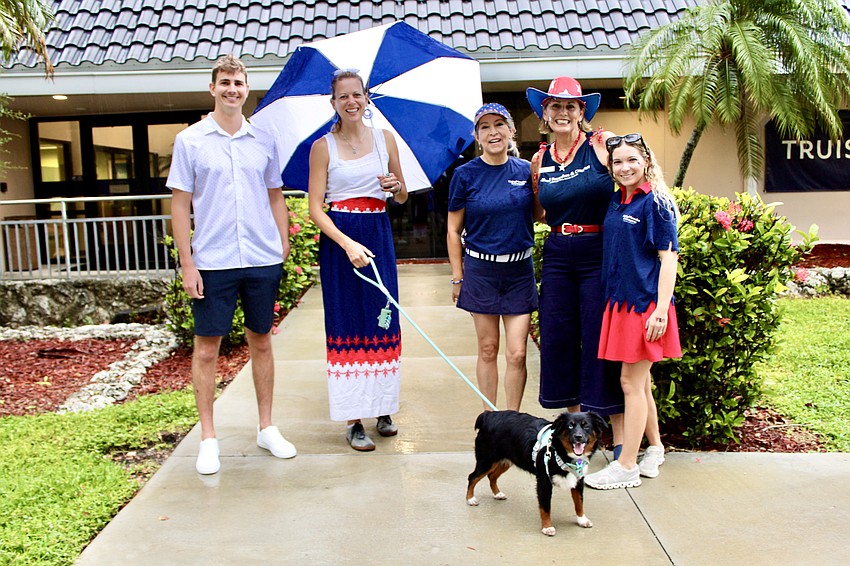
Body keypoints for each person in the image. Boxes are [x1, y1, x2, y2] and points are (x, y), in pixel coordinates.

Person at [168, 54, 296, 475]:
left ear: (246, 89)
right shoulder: (190, 141)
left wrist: (283, 242)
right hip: (214, 261)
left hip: (260, 258)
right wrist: (188, 264)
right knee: (207, 349)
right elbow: (181, 204)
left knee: (262, 340)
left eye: (238, 83)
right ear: (212, 88)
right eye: (224, 82)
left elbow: (275, 193)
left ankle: (266, 427)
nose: (232, 89)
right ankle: (208, 438)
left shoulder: (263, 139)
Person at [307, 70, 408, 452]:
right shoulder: (323, 147)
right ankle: (353, 418)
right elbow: (316, 209)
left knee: (383, 319)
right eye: (343, 96)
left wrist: (396, 188)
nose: (351, 101)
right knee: (349, 320)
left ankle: (383, 407)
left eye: (357, 95)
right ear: (333, 102)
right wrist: (347, 243)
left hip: (378, 233)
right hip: (340, 240)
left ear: (367, 98)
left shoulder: (385, 140)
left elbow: (402, 199)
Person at [526, 76, 624, 454]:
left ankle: (615, 434)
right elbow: (538, 210)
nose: (563, 112)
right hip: (557, 253)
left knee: (600, 339)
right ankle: (575, 431)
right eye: (555, 106)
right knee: (559, 337)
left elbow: (637, 176)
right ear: (544, 114)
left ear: (582, 112)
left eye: (571, 106)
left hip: (596, 250)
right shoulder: (539, 159)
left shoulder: (601, 145)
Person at [584, 133, 682, 489]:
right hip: (620, 303)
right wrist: (596, 137)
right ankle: (654, 448)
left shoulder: (655, 201)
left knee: (630, 382)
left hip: (644, 307)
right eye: (618, 162)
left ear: (646, 162)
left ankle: (626, 465)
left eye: (632, 161)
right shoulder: (617, 200)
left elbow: (668, 258)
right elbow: (597, 143)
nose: (625, 168)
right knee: (641, 383)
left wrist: (660, 311)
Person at [446, 103, 537, 411]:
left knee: (517, 354)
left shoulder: (527, 171)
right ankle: (490, 421)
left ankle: (511, 422)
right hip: (481, 272)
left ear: (511, 130)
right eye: (485, 127)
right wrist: (458, 277)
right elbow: (453, 230)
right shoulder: (465, 175)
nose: (493, 131)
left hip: (519, 272)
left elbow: (542, 213)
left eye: (499, 124)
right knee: (487, 349)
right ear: (477, 136)